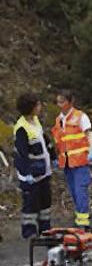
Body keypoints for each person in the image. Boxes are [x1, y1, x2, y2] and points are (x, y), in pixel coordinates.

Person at [52, 90, 92, 229]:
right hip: (67, 162)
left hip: (81, 161)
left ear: (70, 102)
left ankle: (83, 222)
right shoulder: (59, 120)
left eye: (62, 101)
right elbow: (59, 141)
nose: (59, 105)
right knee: (73, 191)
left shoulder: (80, 117)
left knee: (80, 190)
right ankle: (80, 218)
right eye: (58, 102)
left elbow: (89, 135)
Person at [14, 93, 53, 238]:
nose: (40, 107)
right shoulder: (21, 128)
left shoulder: (35, 121)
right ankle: (29, 231)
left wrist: (53, 155)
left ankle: (45, 228)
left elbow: (44, 140)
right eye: (38, 105)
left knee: (45, 203)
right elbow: (21, 154)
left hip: (43, 172)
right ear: (31, 108)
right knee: (30, 204)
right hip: (31, 175)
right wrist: (26, 173)